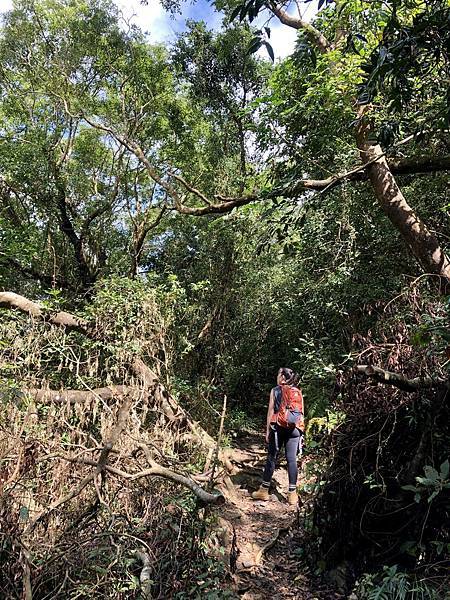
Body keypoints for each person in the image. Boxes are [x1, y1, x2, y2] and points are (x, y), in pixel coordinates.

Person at [252, 367, 304, 505]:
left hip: (278, 427)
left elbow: (270, 411)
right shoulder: (297, 391)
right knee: (292, 459)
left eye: (278, 374)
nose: (277, 377)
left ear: (282, 377)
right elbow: (300, 413)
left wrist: (268, 430)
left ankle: (263, 491)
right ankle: (292, 494)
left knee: (272, 457)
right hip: (295, 429)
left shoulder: (275, 390)